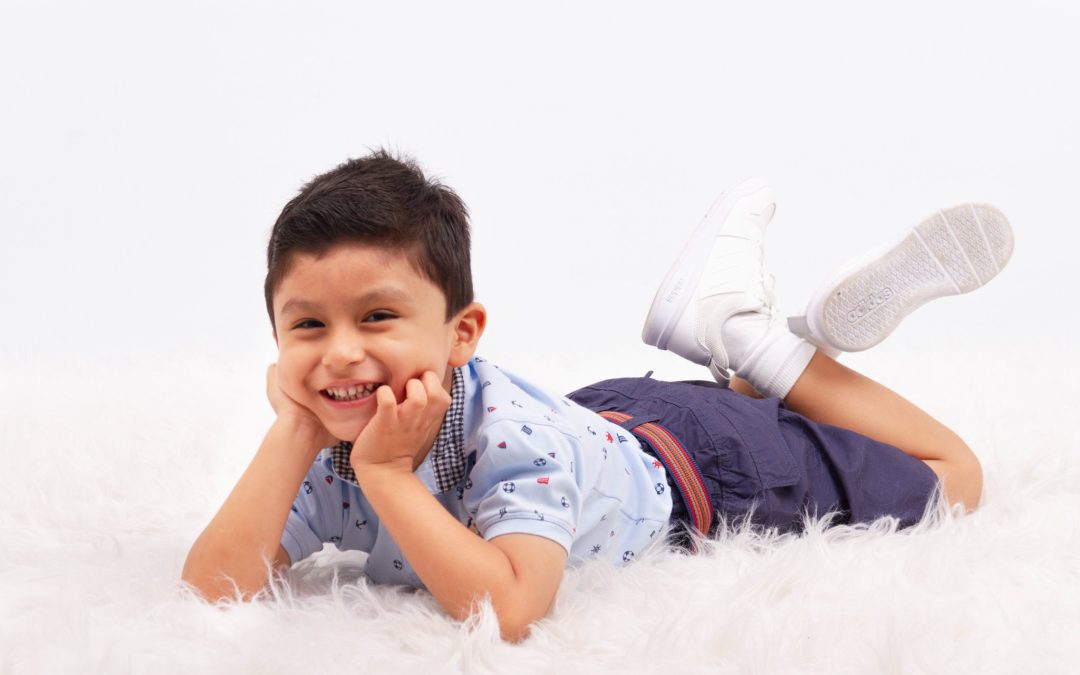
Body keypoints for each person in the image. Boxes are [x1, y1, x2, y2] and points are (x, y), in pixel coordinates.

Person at [181, 151, 1013, 641]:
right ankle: (752, 358)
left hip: (705, 469)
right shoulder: (337, 446)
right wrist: (293, 429)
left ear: (461, 334)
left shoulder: (505, 441)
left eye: (377, 316)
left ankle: (758, 343)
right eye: (308, 327)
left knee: (954, 476)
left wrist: (394, 479)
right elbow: (215, 585)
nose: (341, 353)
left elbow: (512, 608)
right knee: (755, 409)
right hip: (604, 419)